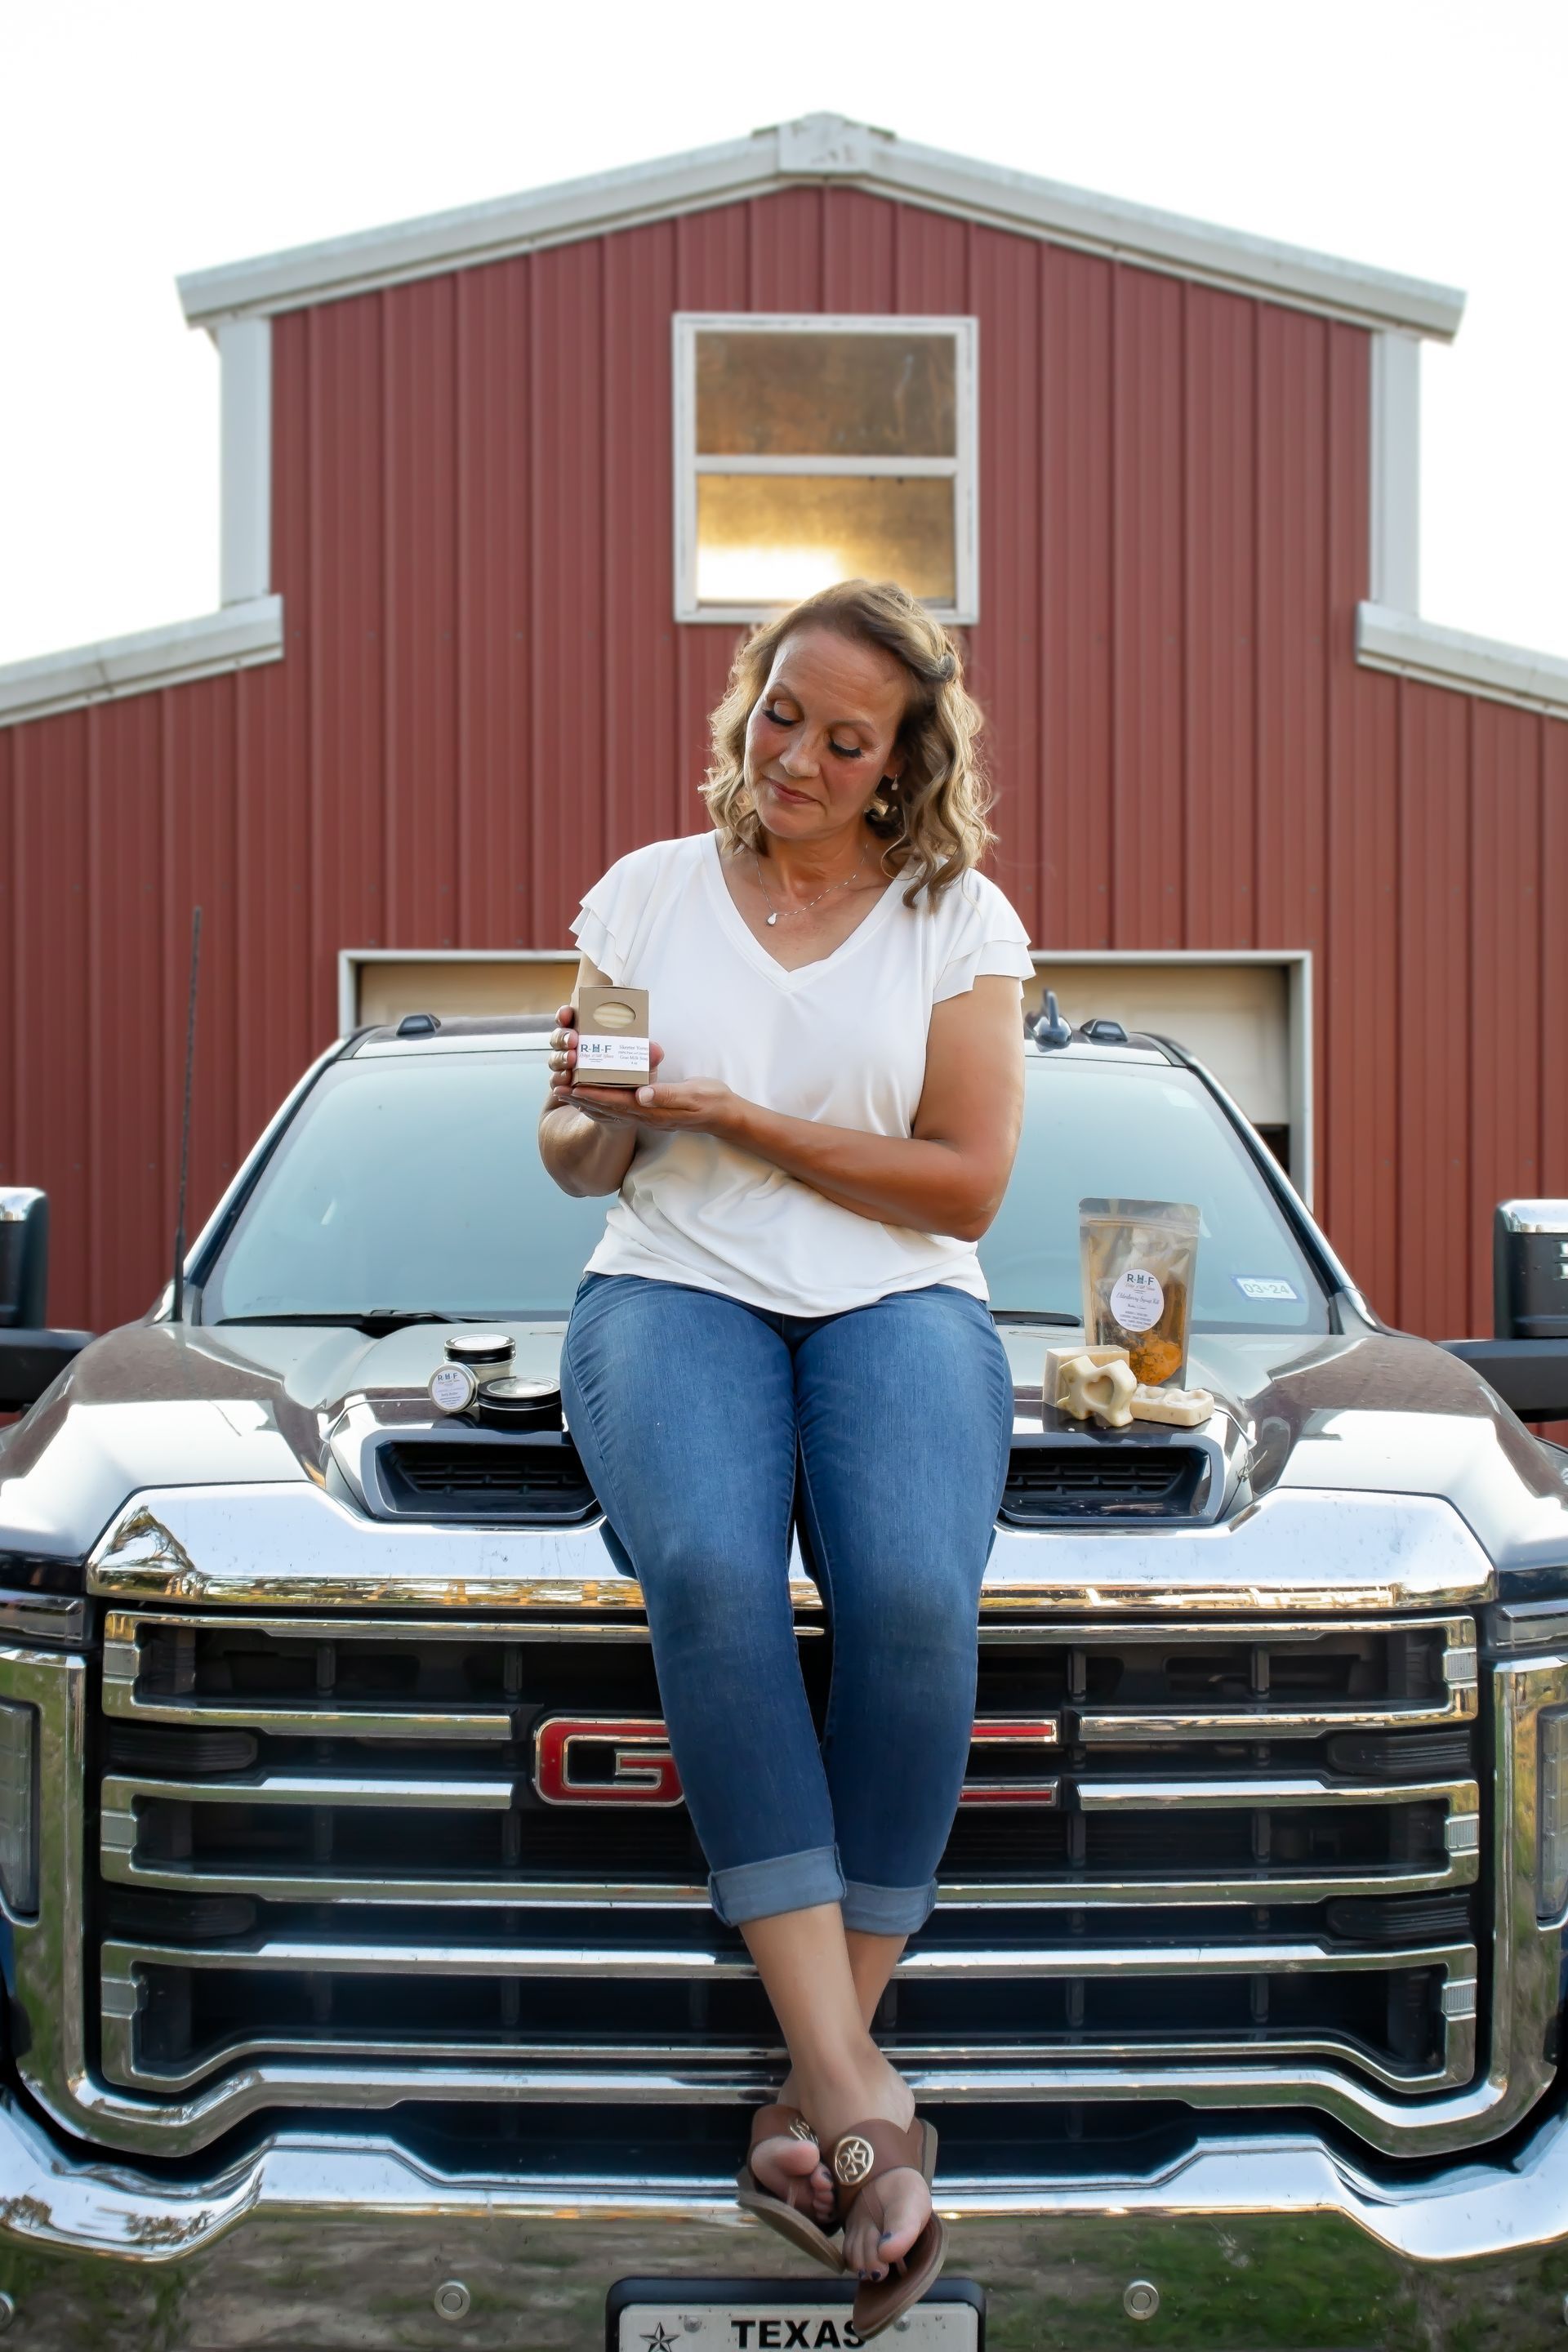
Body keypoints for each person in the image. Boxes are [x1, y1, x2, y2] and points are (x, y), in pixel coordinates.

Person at [538, 577, 1029, 2338]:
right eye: (781, 715)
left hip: (903, 1300)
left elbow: (968, 1183)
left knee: (909, 1591)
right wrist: (596, 1115)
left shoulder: (955, 919)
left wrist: (741, 1115)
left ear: (902, 765)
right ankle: (853, 2098)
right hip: (671, 1287)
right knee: (714, 1575)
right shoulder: (648, 895)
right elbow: (577, 1154)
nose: (799, 757)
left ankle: (808, 2093)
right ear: (745, 702)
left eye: (847, 738)